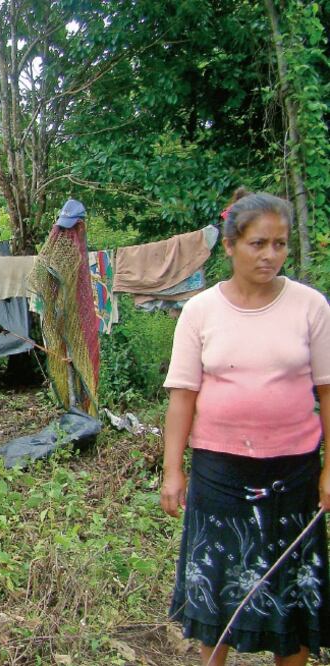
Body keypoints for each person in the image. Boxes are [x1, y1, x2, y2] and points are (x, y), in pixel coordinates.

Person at [160, 189, 330, 665]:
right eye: (259, 243)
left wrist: (329, 468)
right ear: (231, 245)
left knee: (292, 597)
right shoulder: (201, 311)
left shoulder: (311, 307)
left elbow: (327, 391)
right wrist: (174, 471)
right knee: (216, 592)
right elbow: (182, 397)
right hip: (220, 474)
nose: (271, 255)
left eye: (280, 243)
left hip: (293, 473)